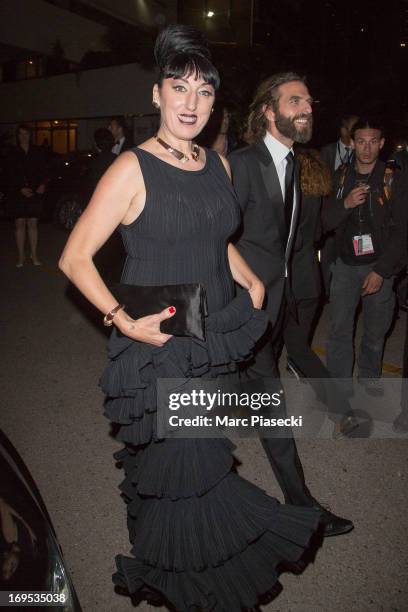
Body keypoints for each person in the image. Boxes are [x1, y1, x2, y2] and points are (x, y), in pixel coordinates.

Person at [59, 25, 320, 610]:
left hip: (213, 329)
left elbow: (217, 234)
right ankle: (198, 587)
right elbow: (73, 257)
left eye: (204, 92)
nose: (191, 103)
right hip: (163, 342)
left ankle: (176, 559)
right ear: (156, 94)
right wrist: (122, 319)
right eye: (179, 88)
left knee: (188, 460)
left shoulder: (217, 164)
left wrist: (249, 275)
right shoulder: (132, 169)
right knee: (195, 467)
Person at [229, 73, 354, 535]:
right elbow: (217, 239)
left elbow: (293, 242)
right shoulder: (241, 164)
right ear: (268, 110)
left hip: (276, 308)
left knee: (258, 401)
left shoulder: (296, 165)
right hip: (242, 311)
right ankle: (301, 508)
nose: (307, 108)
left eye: (308, 101)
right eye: (295, 100)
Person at [322, 118, 406, 398]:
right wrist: (345, 203)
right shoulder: (340, 176)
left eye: (373, 142)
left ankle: (370, 378)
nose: (367, 148)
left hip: (379, 266)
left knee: (375, 330)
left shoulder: (394, 177)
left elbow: (403, 231)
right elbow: (324, 221)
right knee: (339, 330)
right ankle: (338, 386)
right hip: (345, 265)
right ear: (352, 142)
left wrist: (382, 271)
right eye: (361, 141)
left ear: (382, 143)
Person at [320, 114, 359, 298]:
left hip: (353, 215)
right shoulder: (326, 152)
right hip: (330, 216)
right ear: (343, 130)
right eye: (353, 128)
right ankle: (326, 293)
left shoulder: (362, 150)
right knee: (327, 259)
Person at [7, 124, 47, 267]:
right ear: (17, 136)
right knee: (19, 224)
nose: (24, 136)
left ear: (30, 135)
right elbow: (8, 174)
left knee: (33, 223)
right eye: (21, 134)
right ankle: (21, 256)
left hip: (35, 191)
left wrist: (42, 184)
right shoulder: (12, 152)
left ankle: (34, 255)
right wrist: (20, 188)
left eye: (26, 134)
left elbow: (43, 170)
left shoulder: (37, 151)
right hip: (18, 193)